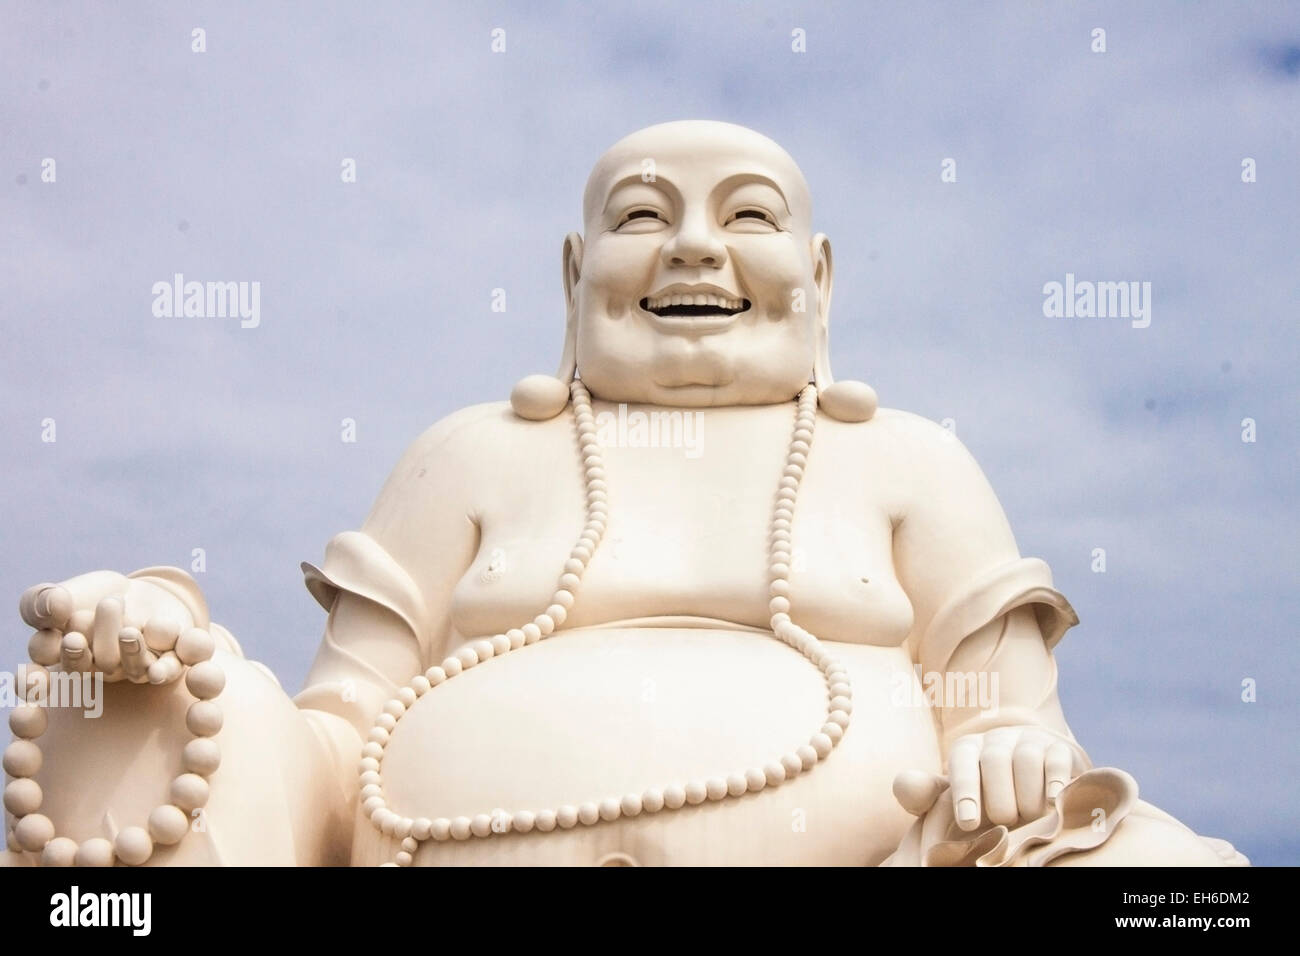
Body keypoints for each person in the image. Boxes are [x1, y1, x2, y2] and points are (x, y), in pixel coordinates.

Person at [4, 121, 1242, 867]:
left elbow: (1007, 721)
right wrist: (171, 637)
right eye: (643, 216)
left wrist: (1011, 751)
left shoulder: (909, 460)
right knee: (129, 772)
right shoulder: (472, 455)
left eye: (744, 218)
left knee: (1169, 887)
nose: (694, 246)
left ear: (816, 276)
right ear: (573, 270)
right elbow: (335, 739)